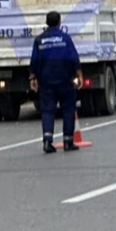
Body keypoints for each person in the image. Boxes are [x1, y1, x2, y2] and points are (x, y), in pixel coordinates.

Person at [28, 11, 83, 154]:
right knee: (68, 110)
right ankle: (68, 141)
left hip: (46, 81)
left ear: (47, 23)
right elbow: (73, 58)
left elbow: (34, 61)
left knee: (47, 111)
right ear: (59, 22)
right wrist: (79, 76)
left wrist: (33, 78)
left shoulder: (39, 40)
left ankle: (47, 141)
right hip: (65, 80)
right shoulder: (65, 39)